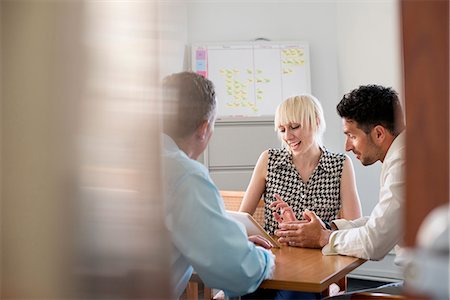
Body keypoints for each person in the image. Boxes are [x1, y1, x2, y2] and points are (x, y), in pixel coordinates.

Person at [274, 85, 406, 297]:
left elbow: (375, 242)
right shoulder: (404, 154)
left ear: (379, 133)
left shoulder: (403, 165)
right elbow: (383, 222)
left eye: (351, 136)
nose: (347, 146)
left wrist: (324, 237)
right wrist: (329, 227)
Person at [161, 71, 275, 299]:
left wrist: (230, 244)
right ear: (204, 128)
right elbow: (240, 272)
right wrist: (263, 259)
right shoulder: (186, 176)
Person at [240, 94, 362, 236]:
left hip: (321, 255)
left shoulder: (340, 164)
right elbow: (242, 220)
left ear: (316, 123)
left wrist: (322, 230)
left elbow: (353, 228)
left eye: (294, 127)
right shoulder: (269, 160)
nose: (287, 136)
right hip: (275, 254)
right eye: (282, 130)